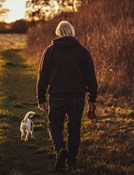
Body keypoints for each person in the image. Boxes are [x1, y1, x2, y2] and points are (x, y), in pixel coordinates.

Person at [36, 21, 98, 172]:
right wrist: (92, 99)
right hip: (77, 97)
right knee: (74, 127)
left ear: (58, 32)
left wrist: (41, 98)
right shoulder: (83, 52)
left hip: (57, 96)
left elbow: (42, 76)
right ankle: (72, 161)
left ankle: (60, 150)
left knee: (54, 124)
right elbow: (91, 78)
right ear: (72, 32)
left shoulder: (49, 51)